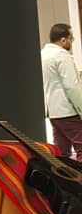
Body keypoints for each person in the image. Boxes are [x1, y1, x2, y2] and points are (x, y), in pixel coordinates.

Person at [41, 23, 82, 159]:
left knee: (61, 154)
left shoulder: (43, 55)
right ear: (64, 40)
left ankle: (62, 174)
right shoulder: (62, 55)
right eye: (72, 38)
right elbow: (71, 87)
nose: (72, 41)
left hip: (53, 112)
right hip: (68, 111)